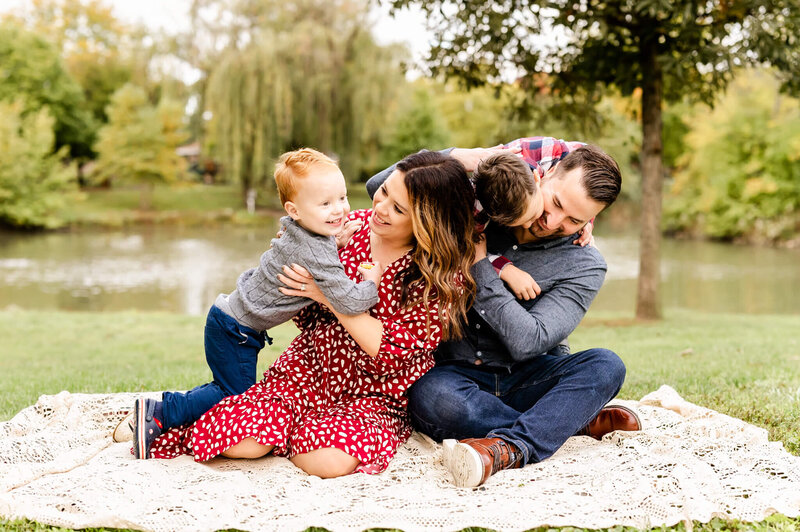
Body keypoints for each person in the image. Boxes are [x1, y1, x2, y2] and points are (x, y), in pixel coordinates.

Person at [143, 150, 478, 478]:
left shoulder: (438, 277)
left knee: (328, 462)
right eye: (385, 191)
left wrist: (325, 296)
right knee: (237, 441)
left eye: (397, 208)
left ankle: (293, 433)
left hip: (373, 391)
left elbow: (390, 352)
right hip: (309, 369)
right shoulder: (347, 227)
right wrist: (292, 257)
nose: (380, 207)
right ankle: (193, 420)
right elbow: (298, 300)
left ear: (428, 222)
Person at [367, 136, 639, 488]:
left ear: (592, 221)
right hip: (456, 372)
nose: (552, 221)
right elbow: (380, 187)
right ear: (547, 172)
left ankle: (509, 446)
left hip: (532, 375)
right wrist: (460, 156)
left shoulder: (585, 263)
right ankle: (565, 421)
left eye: (574, 219)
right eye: (555, 202)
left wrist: (480, 264)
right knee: (430, 397)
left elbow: (529, 341)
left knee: (607, 365)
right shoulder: (492, 198)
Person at [131, 148, 384, 459]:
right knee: (233, 396)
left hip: (229, 319)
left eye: (342, 198)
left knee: (229, 388)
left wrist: (337, 242)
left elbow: (315, 248)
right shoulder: (315, 249)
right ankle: (160, 411)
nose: (339, 210)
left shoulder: (299, 230)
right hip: (236, 331)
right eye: (325, 204)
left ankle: (165, 412)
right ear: (294, 209)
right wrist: (372, 282)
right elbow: (347, 300)